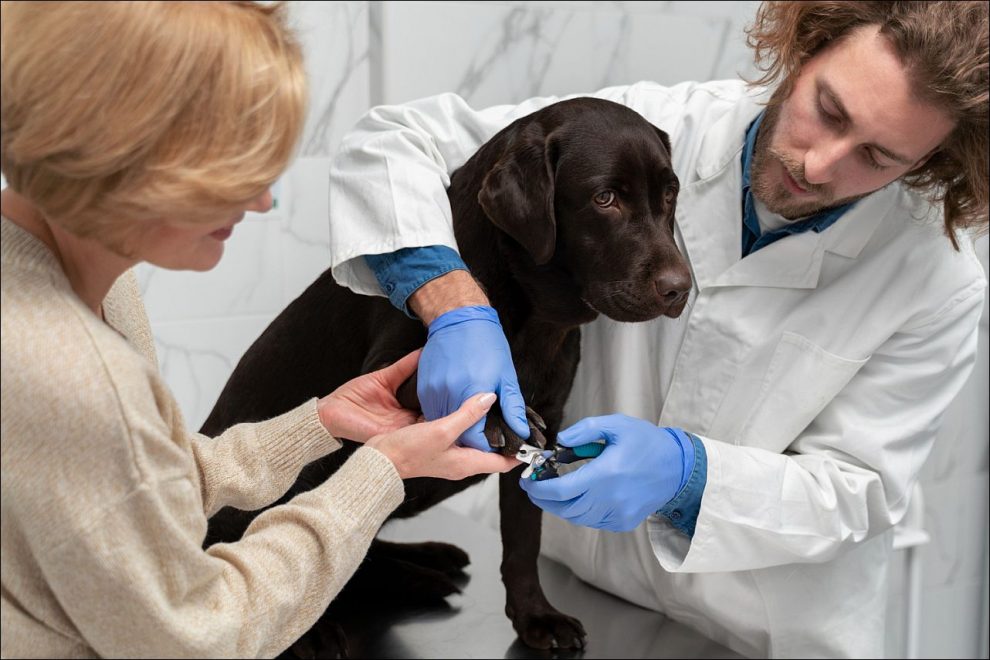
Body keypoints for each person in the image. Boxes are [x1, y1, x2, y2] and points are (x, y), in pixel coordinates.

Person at [323, 1, 988, 657]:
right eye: (828, 109)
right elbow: (391, 144)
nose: (820, 164)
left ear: (930, 161)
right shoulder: (656, 128)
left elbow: (857, 492)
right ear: (806, 47)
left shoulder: (938, 280)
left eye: (876, 156)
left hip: (762, 634)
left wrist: (686, 475)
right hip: (575, 587)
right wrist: (452, 305)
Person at [0, 2, 518, 658]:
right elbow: (204, 633)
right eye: (232, 165)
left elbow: (122, 493)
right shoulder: (75, 374)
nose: (262, 200)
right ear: (124, 148)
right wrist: (378, 475)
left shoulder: (67, 281)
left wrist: (320, 425)